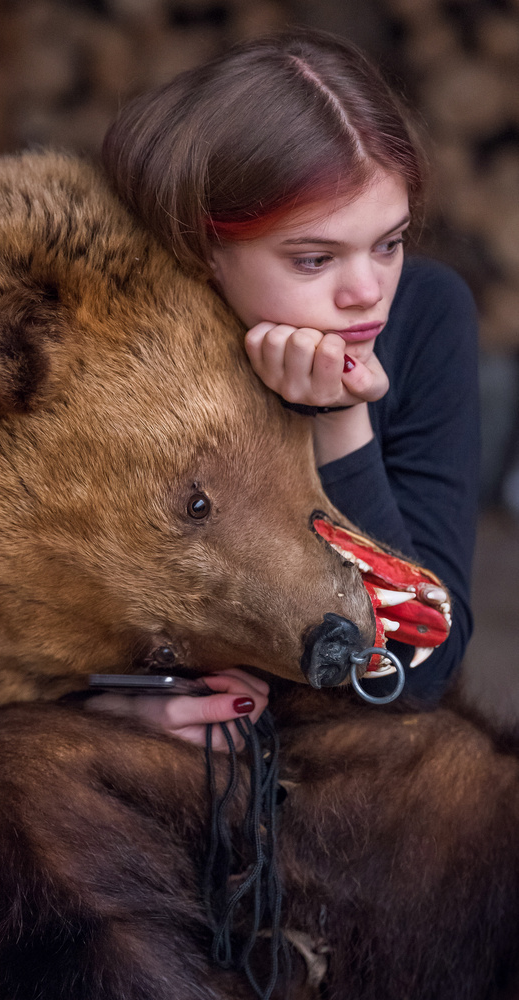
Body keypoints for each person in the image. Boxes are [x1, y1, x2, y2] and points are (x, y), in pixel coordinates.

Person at [90, 28, 480, 745]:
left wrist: (340, 422)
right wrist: (109, 707)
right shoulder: (126, 344)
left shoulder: (427, 314)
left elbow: (421, 673)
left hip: (345, 750)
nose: (367, 292)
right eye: (313, 259)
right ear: (206, 248)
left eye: (388, 243)